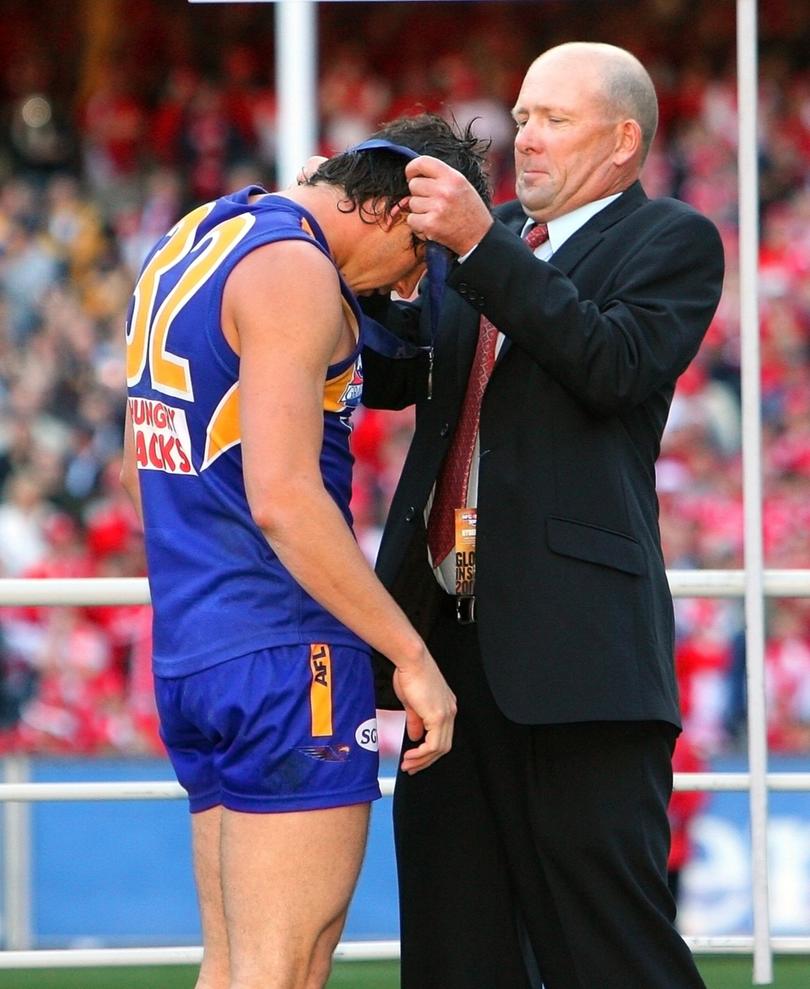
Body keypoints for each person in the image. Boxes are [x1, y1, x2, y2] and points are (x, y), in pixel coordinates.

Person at [362, 43, 725, 988]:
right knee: (452, 951)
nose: (524, 137)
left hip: (579, 659)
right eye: (521, 117)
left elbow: (609, 365)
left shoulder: (672, 241)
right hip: (443, 649)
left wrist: (480, 248)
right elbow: (401, 380)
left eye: (554, 120)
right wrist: (372, 277)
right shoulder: (486, 245)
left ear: (622, 140)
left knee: (610, 947)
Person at [120, 114, 490, 989]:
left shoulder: (196, 235)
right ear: (395, 211)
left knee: (238, 966)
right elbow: (285, 499)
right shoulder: (295, 270)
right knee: (284, 970)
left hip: (195, 640)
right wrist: (409, 654)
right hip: (285, 649)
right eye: (415, 263)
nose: (404, 292)